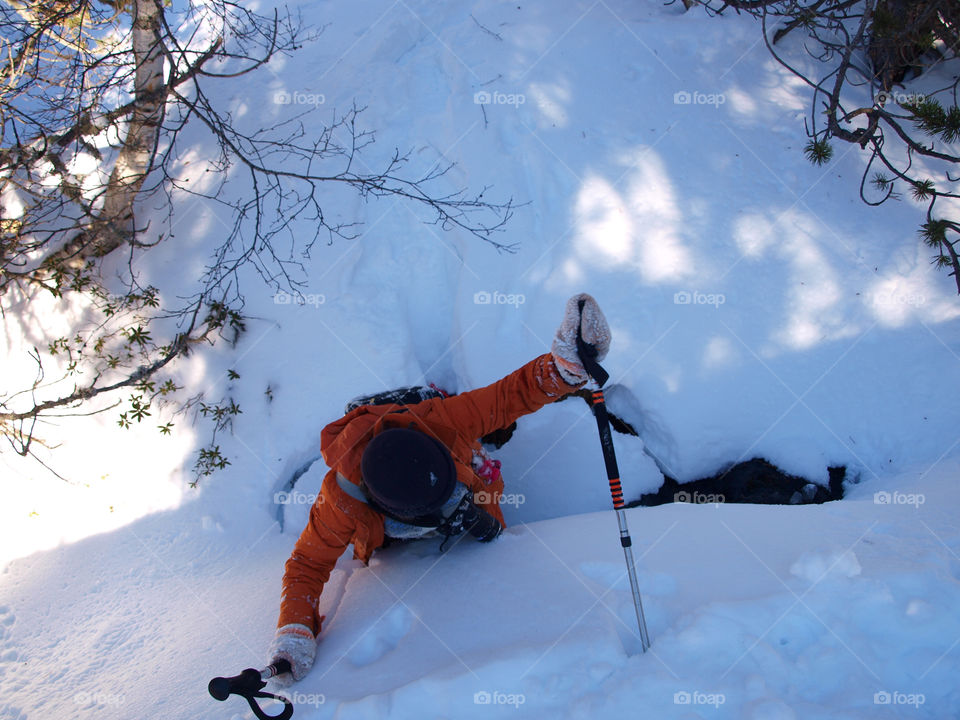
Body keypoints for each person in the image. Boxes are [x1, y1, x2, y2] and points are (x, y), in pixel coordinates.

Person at [267, 293, 611, 684]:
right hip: (386, 536)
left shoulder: (441, 420)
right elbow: (307, 565)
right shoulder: (342, 500)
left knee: (490, 525)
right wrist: (294, 634)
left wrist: (564, 369)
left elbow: (508, 397)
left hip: (466, 479)